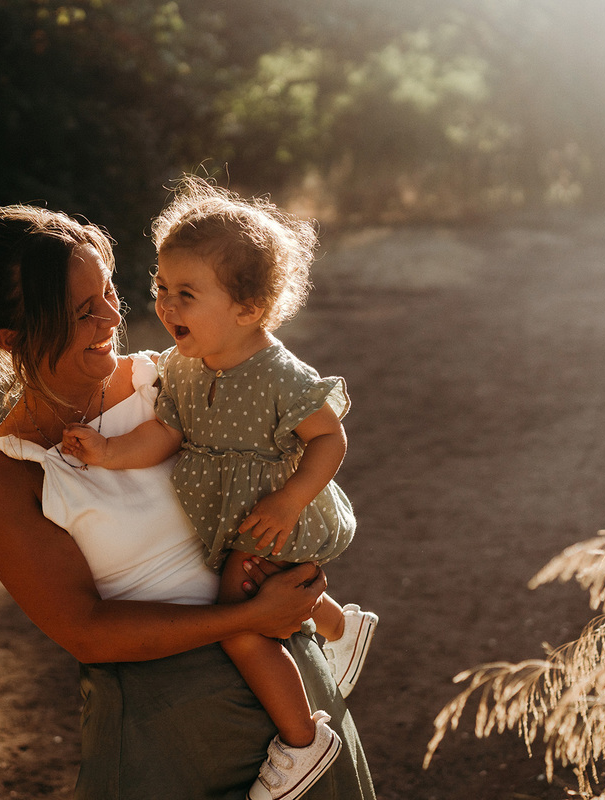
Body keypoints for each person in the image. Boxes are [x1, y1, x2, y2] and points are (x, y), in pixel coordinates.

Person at [0, 204, 375, 800]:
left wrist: (297, 581)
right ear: (12, 338)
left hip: (300, 689)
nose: (113, 315)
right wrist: (249, 618)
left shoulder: (177, 379)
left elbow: (285, 471)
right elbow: (86, 631)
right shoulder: (6, 472)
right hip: (171, 735)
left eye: (108, 291)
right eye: (83, 311)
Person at [62, 177, 378, 799]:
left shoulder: (280, 374)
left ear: (248, 308)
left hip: (278, 514)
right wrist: (108, 452)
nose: (166, 305)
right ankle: (340, 626)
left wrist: (289, 500)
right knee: (257, 597)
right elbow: (165, 434)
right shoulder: (184, 367)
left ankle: (302, 741)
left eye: (186, 294)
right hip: (240, 517)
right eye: (161, 287)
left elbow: (329, 438)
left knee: (239, 625)